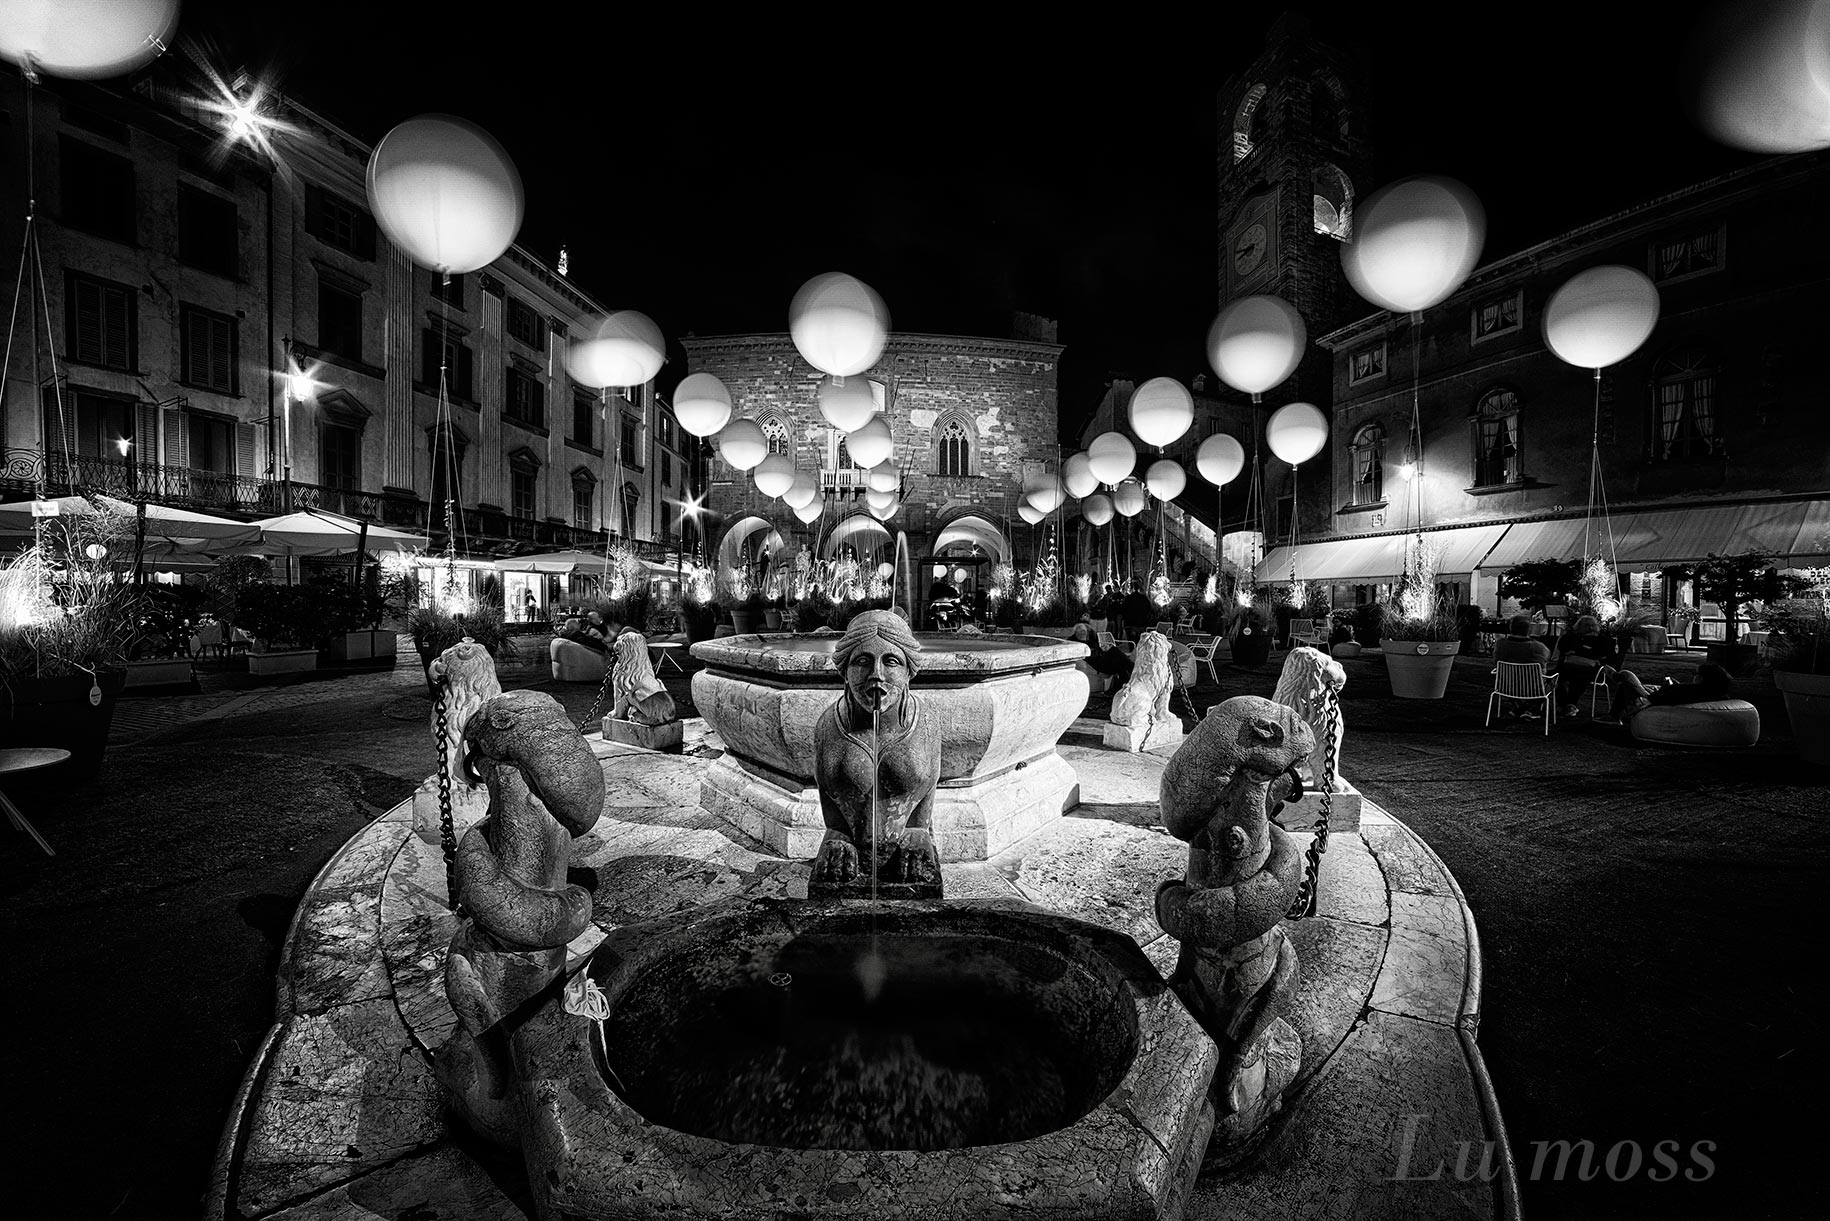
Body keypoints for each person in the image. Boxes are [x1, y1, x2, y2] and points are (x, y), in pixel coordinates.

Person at [1608, 662, 1733, 722]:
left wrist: (1669, 688)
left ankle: (1613, 675)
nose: (1694, 676)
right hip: (1664, 697)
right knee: (1645, 685)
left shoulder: (1687, 690)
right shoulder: (1716, 692)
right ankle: (1613, 715)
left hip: (1651, 701)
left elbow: (1657, 698)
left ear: (1703, 678)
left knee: (1627, 675)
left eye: (1696, 674)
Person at [1554, 614, 1625, 716]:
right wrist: (1582, 649)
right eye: (1586, 625)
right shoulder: (1570, 637)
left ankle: (1570, 704)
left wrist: (1580, 651)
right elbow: (1563, 648)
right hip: (1569, 665)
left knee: (1578, 678)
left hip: (1589, 668)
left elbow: (1604, 655)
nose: (1590, 628)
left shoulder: (1602, 639)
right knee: (1555, 677)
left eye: (1592, 625)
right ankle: (1564, 704)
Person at [1070, 621, 1134, 683]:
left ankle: (1126, 682)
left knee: (1119, 662)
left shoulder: (1090, 642)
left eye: (1083, 631)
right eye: (1078, 632)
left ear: (1087, 632)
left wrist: (1104, 650)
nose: (1081, 633)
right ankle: (1133, 668)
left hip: (1102, 660)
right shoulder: (1077, 643)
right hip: (1097, 665)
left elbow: (1097, 650)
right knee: (1114, 650)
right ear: (1075, 634)